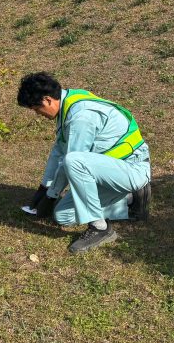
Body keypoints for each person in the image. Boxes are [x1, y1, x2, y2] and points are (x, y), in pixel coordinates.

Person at [17, 72, 152, 253]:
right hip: (109, 171)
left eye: (35, 108)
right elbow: (58, 151)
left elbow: (70, 162)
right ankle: (130, 201)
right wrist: (43, 188)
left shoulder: (81, 116)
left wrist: (51, 196)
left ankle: (100, 228)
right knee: (63, 216)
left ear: (48, 100)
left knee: (74, 161)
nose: (37, 114)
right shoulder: (69, 104)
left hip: (131, 168)